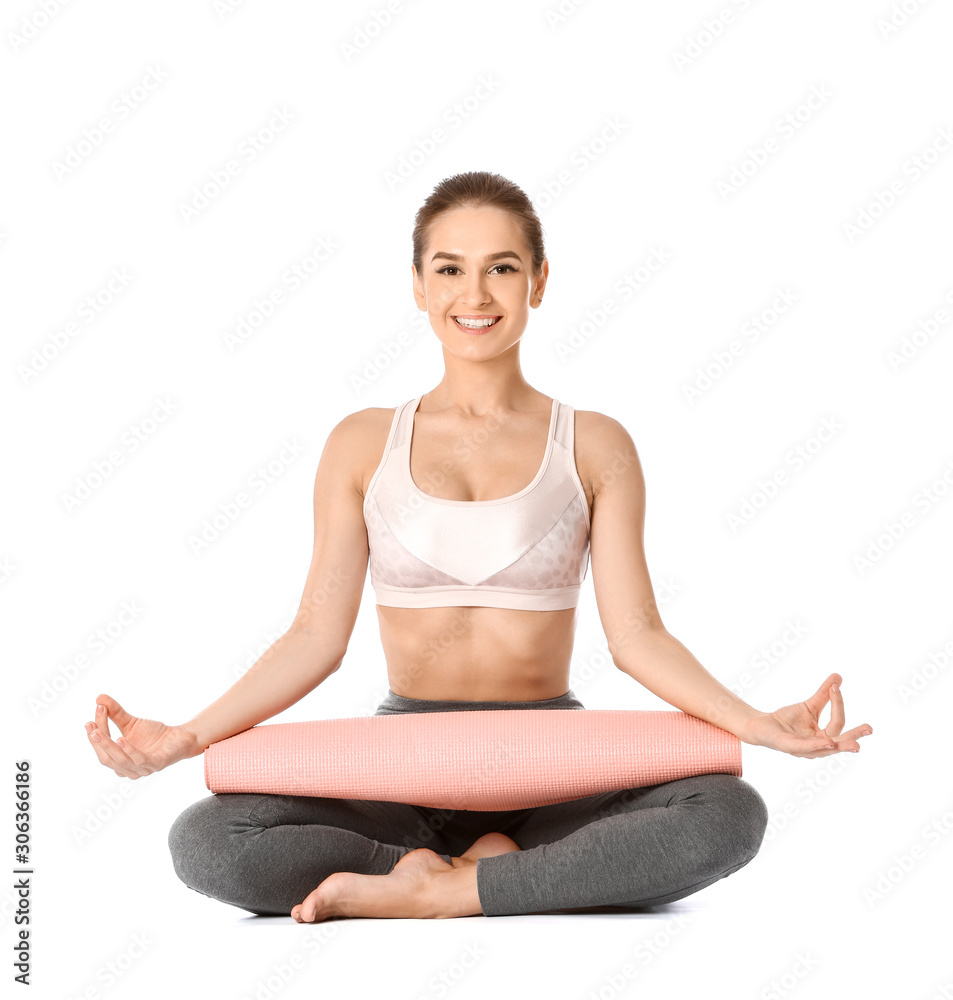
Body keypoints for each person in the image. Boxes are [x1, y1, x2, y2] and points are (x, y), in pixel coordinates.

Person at [85, 171, 873, 922]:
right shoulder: (361, 443)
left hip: (553, 762)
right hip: (401, 765)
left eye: (500, 267)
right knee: (208, 841)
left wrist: (755, 725)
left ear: (538, 280)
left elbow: (636, 638)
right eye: (449, 268)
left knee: (725, 814)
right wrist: (189, 735)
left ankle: (440, 890)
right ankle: (468, 871)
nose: (474, 294)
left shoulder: (595, 444)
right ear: (418, 287)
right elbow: (315, 637)